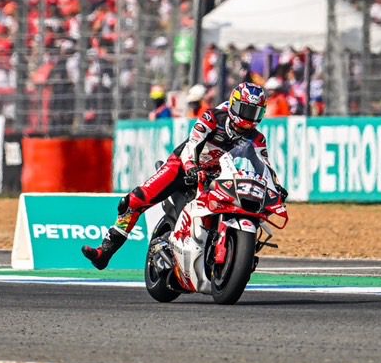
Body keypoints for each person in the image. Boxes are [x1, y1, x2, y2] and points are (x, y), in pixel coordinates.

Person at [81, 82, 279, 270]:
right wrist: (191, 166)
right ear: (234, 105)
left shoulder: (256, 138)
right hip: (183, 165)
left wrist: (275, 187)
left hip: (217, 176)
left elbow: (264, 165)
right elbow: (192, 143)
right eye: (246, 110)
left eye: (255, 112)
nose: (249, 117)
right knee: (133, 201)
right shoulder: (213, 117)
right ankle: (105, 252)